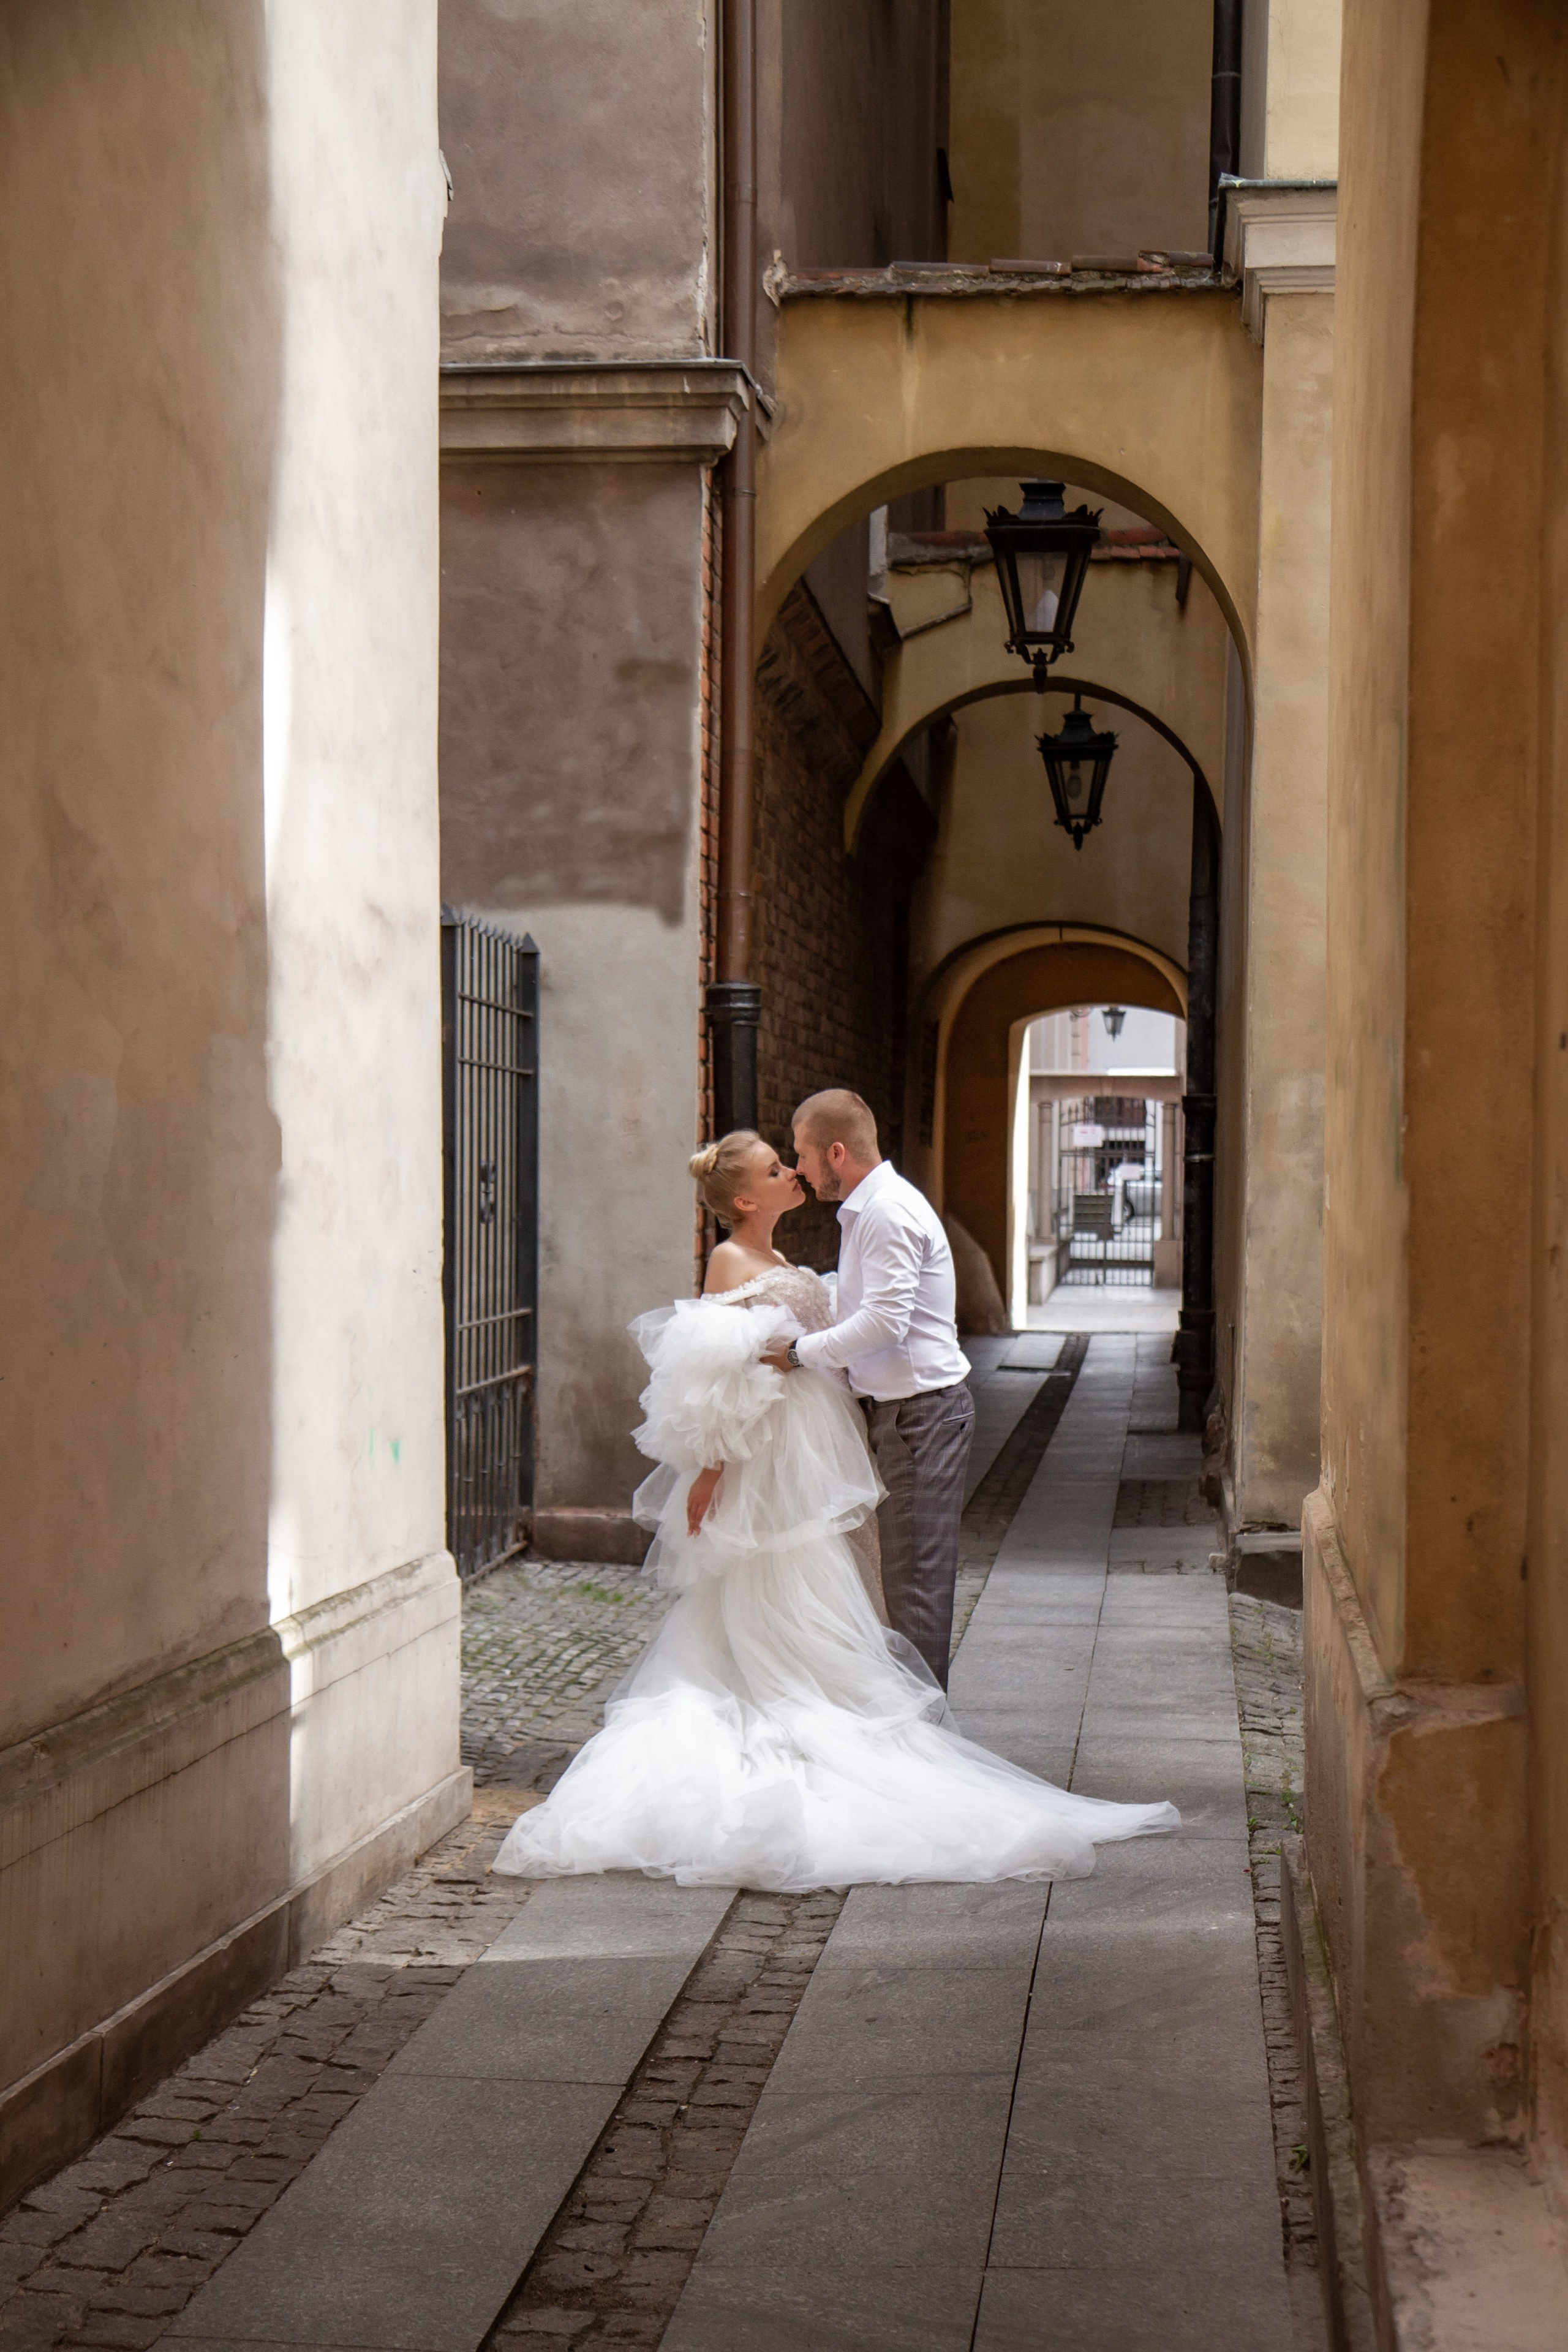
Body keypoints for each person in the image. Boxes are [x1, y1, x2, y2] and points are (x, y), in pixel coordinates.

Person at [492, 1129, 1177, 1891]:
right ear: (746, 1199)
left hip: (808, 1451)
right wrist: (712, 1472)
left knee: (826, 1581)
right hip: (767, 1463)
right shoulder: (730, 1261)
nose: (794, 1173)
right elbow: (714, 1373)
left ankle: (826, 1703)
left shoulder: (783, 1260)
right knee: (773, 1585)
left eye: (793, 1161)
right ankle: (787, 1709)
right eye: (777, 1169)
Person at [766, 1088, 972, 1689]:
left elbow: (886, 1321)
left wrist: (799, 1353)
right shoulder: (869, 1208)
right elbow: (860, 1300)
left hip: (921, 1416)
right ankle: (919, 1738)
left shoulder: (884, 1212)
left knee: (914, 1591)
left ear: (835, 1152)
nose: (798, 1168)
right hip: (907, 1414)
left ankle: (926, 1746)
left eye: (801, 1155)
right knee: (904, 1585)